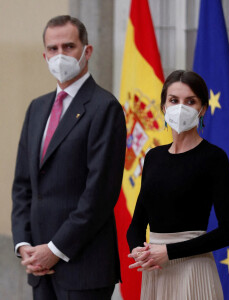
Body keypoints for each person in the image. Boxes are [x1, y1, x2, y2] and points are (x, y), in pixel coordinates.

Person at [11, 15, 126, 300]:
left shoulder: (105, 108)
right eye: (53, 49)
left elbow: (99, 194)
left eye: (69, 47)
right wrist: (24, 243)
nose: (60, 55)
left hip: (83, 268)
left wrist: (55, 249)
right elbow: (23, 186)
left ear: (87, 51)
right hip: (40, 268)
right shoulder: (36, 109)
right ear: (44, 55)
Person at [127, 70, 229, 300]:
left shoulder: (214, 157)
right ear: (164, 107)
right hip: (156, 271)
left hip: (193, 270)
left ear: (203, 109)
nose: (181, 107)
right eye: (174, 100)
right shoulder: (153, 157)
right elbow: (137, 223)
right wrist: (138, 250)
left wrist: (168, 252)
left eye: (190, 101)